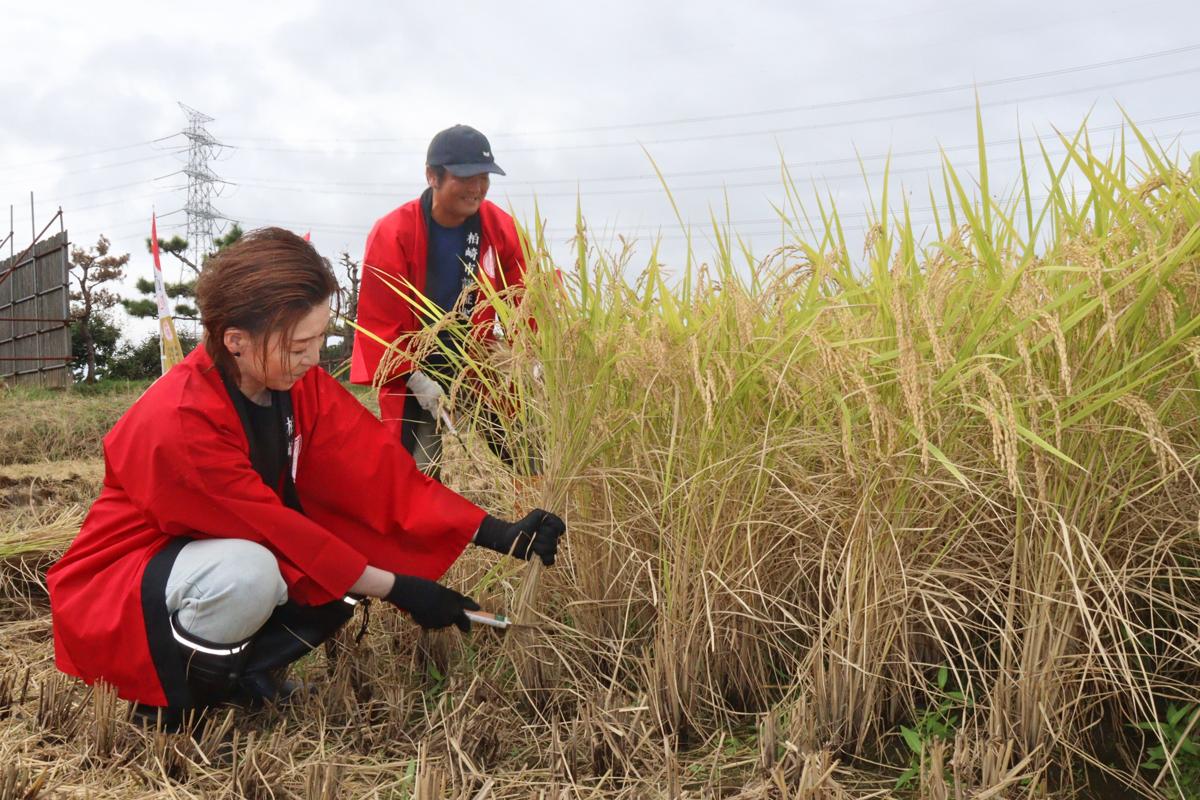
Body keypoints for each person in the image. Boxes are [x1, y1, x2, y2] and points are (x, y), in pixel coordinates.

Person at [46, 228, 565, 729]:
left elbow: (377, 472)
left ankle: (246, 675)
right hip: (127, 585)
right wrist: (403, 589)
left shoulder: (297, 385)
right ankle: (169, 708)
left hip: (211, 558)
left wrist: (496, 532)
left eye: (320, 340)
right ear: (236, 341)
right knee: (253, 572)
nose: (314, 360)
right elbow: (275, 530)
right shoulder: (179, 420)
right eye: (298, 346)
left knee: (346, 541)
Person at [350, 124, 531, 477]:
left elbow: (528, 293)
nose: (477, 188)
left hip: (476, 358)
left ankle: (529, 514)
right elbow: (379, 322)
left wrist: (526, 354)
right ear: (432, 176)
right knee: (416, 467)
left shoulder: (498, 226)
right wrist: (415, 378)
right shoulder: (393, 233)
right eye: (465, 177)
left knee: (522, 447)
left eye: (483, 177)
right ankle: (419, 527)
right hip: (415, 364)